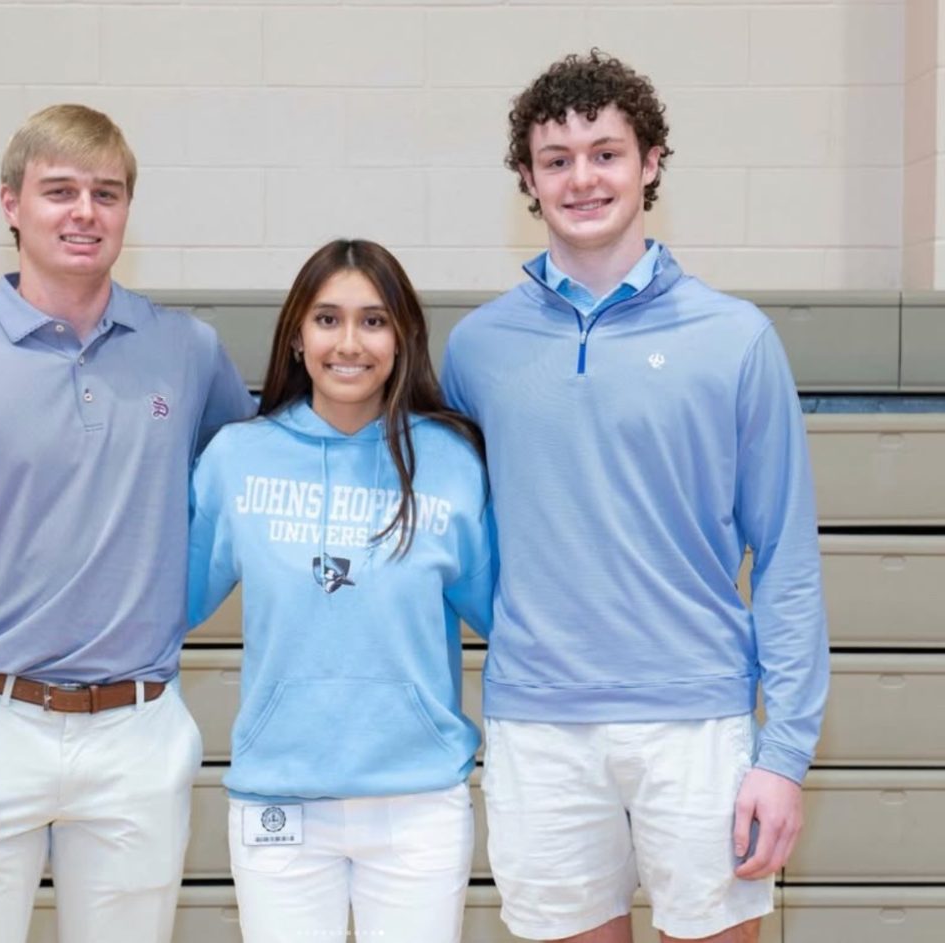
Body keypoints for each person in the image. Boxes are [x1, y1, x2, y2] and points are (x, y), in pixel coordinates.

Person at [441, 51, 830, 943]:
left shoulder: (735, 338)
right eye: (557, 159)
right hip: (539, 726)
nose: (583, 178)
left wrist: (785, 755)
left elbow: (786, 560)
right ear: (529, 181)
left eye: (605, 153)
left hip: (697, 723)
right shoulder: (476, 349)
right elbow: (452, 544)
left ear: (650, 162)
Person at [0, 104, 255, 943]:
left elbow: (247, 487)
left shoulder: (189, 351)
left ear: (127, 211)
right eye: (59, 190)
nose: (84, 212)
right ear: (10, 204)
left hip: (138, 728)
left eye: (106, 193)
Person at [187, 239, 496, 943]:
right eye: (327, 319)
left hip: (418, 798)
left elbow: (509, 616)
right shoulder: (237, 458)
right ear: (296, 336)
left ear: (404, 337)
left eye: (374, 320)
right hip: (282, 798)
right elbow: (168, 602)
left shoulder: (449, 460)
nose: (349, 342)